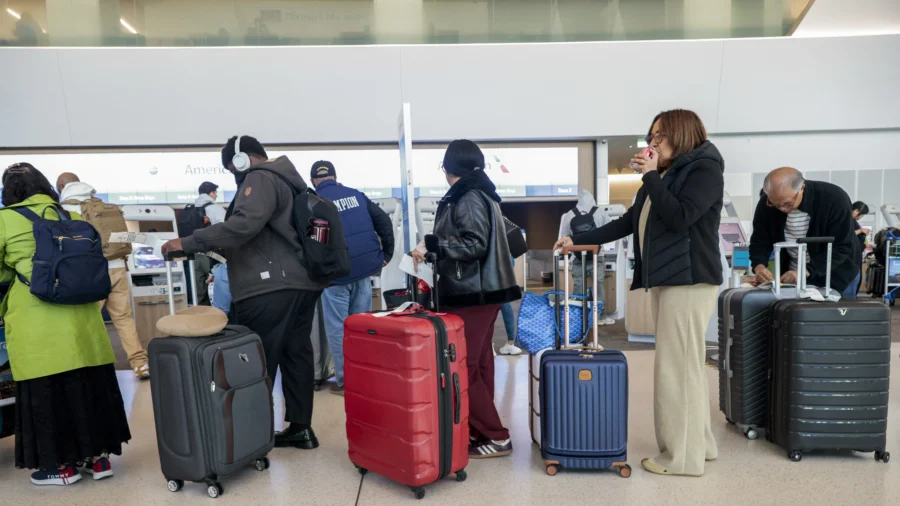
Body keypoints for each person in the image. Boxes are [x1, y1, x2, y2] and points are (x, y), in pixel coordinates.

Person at [554, 109, 723, 477]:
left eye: (660, 136)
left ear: (682, 135)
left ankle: (680, 459)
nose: (653, 142)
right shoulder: (666, 175)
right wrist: (578, 240)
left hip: (689, 281)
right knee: (686, 366)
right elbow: (629, 222)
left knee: (676, 370)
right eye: (652, 135)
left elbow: (680, 218)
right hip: (673, 280)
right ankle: (700, 445)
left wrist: (649, 176)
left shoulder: (704, 169)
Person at [162, 136, 327, 450]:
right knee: (296, 356)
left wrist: (188, 242)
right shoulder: (291, 182)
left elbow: (244, 224)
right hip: (300, 284)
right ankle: (300, 428)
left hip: (268, 287)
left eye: (232, 169)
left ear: (240, 160)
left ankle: (253, 434)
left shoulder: (261, 177)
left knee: (257, 360)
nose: (234, 176)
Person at [0, 163, 131, 485]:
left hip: (38, 321)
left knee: (50, 394)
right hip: (84, 322)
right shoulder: (69, 217)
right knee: (88, 387)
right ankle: (99, 461)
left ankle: (62, 468)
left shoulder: (4, 220)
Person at [411, 140, 522, 459]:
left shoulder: (468, 195)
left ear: (449, 169)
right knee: (479, 363)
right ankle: (479, 428)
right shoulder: (481, 193)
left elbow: (474, 244)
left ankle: (496, 436)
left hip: (473, 292)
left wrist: (433, 246)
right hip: (482, 290)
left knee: (462, 365)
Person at [309, 161, 394, 396]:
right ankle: (365, 376)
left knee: (339, 329)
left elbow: (316, 243)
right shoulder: (356, 196)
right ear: (335, 177)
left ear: (314, 181)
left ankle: (348, 380)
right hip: (364, 271)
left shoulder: (315, 202)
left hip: (336, 277)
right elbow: (384, 222)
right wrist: (386, 254)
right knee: (361, 326)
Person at [57, 172, 150, 380]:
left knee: (88, 319)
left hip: (90, 271)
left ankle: (90, 369)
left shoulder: (66, 209)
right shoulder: (104, 206)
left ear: (61, 187)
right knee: (123, 318)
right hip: (117, 266)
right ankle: (140, 363)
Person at [750, 167, 860, 299]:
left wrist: (805, 271)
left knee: (836, 317)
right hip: (794, 277)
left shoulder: (833, 198)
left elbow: (842, 246)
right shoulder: (766, 204)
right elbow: (759, 241)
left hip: (837, 272)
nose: (782, 209)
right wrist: (759, 266)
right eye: (775, 204)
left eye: (788, 203)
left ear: (802, 188)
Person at [557, 190, 615, 325]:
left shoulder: (570, 214)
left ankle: (578, 317)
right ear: (592, 200)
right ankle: (600, 317)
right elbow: (610, 232)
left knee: (579, 285)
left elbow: (564, 236)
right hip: (597, 255)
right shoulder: (600, 212)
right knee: (598, 285)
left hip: (577, 256)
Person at [191, 182, 226, 306]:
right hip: (213, 256)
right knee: (221, 293)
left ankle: (203, 322)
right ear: (211, 193)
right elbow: (225, 234)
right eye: (215, 193)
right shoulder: (216, 209)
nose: (216, 196)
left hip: (193, 257)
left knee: (199, 296)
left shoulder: (190, 209)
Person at [851, 201, 870, 294]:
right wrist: (861, 230)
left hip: (856, 255)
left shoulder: (853, 221)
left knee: (856, 281)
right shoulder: (846, 220)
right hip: (851, 257)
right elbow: (846, 235)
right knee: (853, 281)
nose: (861, 217)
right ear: (856, 211)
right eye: (861, 215)